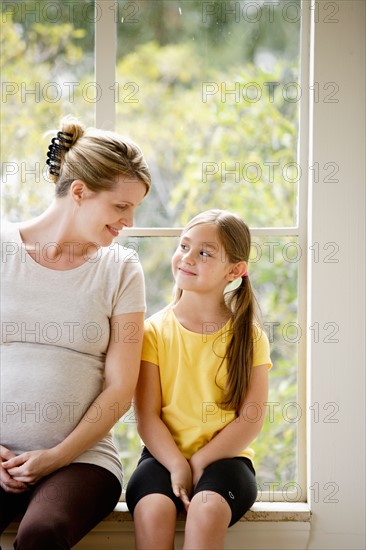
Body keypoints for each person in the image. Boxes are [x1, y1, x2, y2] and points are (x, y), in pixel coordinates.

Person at [0, 115, 151, 549]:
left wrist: (54, 457)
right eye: (121, 207)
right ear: (80, 192)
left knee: (42, 533)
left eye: (134, 209)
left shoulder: (120, 268)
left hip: (80, 462)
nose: (128, 221)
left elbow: (121, 387)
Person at [126, 209, 272, 549]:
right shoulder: (153, 332)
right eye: (184, 246)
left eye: (205, 253)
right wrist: (177, 464)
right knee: (153, 510)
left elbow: (250, 419)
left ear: (235, 271)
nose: (187, 258)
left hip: (226, 460)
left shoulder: (249, 336)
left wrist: (198, 463)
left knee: (206, 510)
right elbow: (147, 416)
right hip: (162, 457)